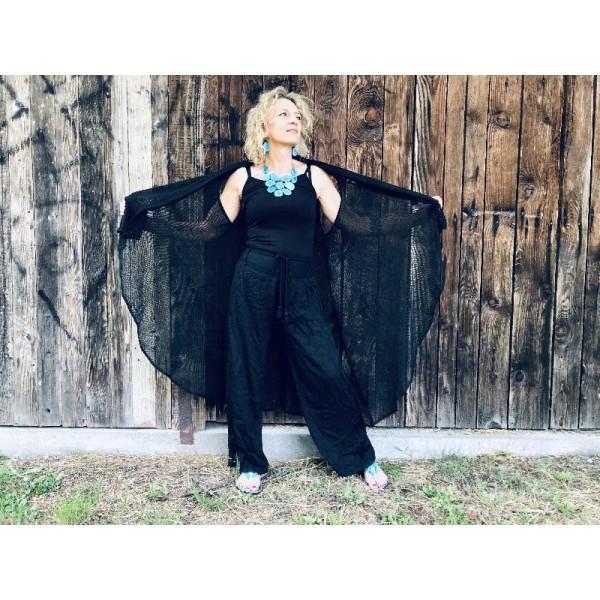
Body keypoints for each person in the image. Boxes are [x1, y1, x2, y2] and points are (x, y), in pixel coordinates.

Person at [118, 86, 445, 496]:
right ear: (264, 127)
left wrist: (421, 211)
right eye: (284, 115)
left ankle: (360, 457)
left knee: (326, 367)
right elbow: (207, 230)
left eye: (297, 116)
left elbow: (357, 224)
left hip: (303, 285)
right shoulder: (243, 178)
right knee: (245, 368)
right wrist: (146, 218)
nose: (293, 121)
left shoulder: (314, 177)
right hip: (253, 281)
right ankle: (250, 462)